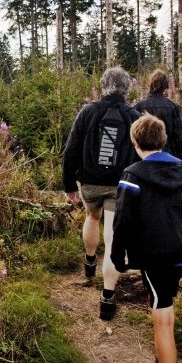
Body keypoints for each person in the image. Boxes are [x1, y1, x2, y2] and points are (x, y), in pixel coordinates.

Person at [110, 114, 182, 363]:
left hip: (155, 256)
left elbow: (123, 222)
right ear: (164, 140)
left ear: (135, 142)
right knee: (166, 303)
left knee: (161, 314)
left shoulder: (132, 175)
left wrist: (118, 258)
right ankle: (164, 358)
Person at [62, 66, 139, 305]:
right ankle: (107, 295)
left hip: (90, 183)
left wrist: (69, 186)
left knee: (92, 218)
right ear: (127, 88)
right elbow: (141, 154)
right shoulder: (134, 116)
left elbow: (70, 150)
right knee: (113, 234)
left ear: (103, 86)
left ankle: (89, 261)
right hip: (120, 185)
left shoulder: (87, 112)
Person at [133, 69, 182, 161]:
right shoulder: (174, 108)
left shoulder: (138, 107)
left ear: (150, 83)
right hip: (169, 159)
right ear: (166, 86)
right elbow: (181, 138)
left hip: (144, 160)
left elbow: (134, 137)